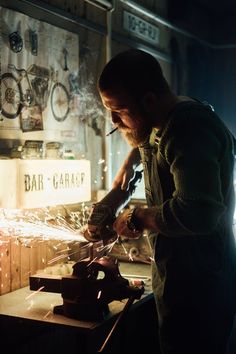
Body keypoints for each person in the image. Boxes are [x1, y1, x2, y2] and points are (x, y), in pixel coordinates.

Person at [97, 49, 236, 354]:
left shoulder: (188, 129)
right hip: (179, 280)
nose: (113, 120)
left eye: (118, 109)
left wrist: (137, 217)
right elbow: (152, 147)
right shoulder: (163, 122)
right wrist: (126, 173)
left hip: (199, 291)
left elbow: (197, 212)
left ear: (148, 100)